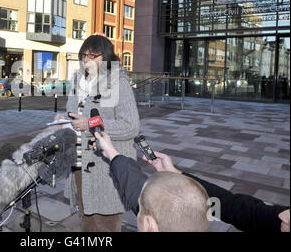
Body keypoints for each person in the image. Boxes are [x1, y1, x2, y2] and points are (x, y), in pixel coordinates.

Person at [93, 131, 290, 232]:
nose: (284, 219)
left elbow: (140, 194)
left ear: (150, 226)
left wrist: (112, 153)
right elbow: (233, 206)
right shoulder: (274, 219)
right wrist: (176, 174)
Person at [57, 34, 140, 232]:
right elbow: (75, 113)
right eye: (84, 55)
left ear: (106, 58)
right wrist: (65, 119)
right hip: (80, 162)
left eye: (93, 55)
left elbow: (130, 125)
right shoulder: (78, 80)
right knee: (87, 219)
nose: (87, 59)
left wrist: (89, 123)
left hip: (106, 167)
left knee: (106, 223)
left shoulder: (118, 83)